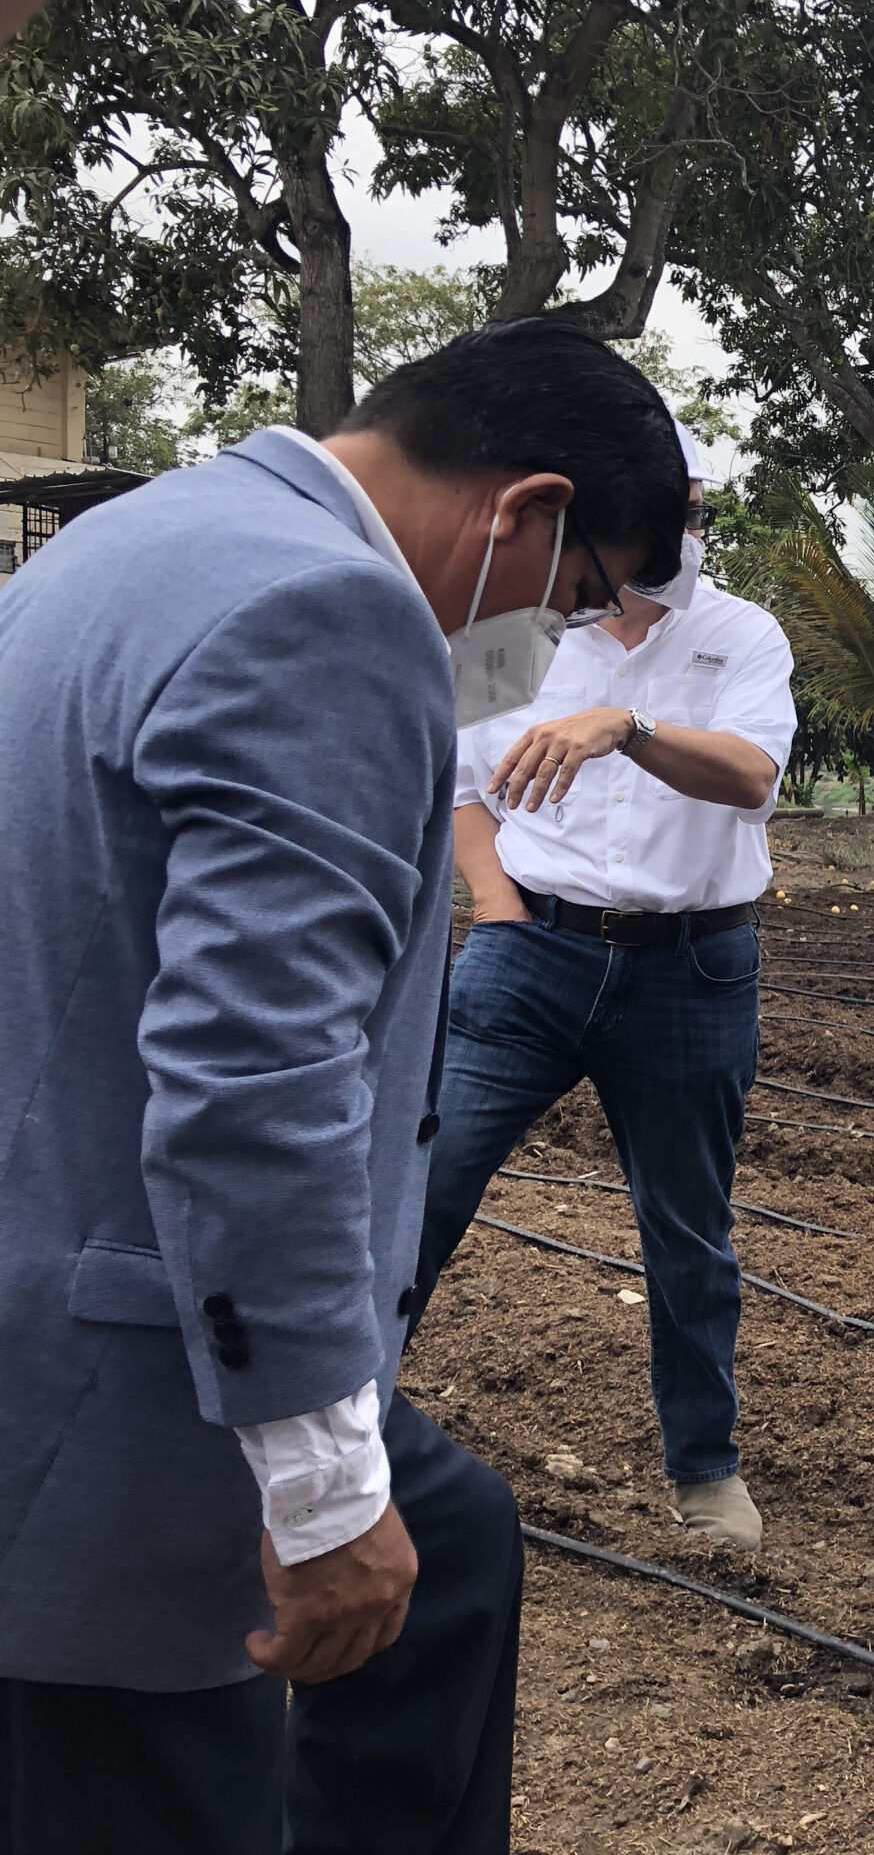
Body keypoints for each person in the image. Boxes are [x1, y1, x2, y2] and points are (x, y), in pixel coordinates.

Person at [0, 318, 684, 1853]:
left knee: (455, 1542)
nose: (552, 641)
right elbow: (255, 1086)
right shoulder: (336, 613)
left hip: (49, 1241)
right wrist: (315, 1492)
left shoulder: (131, 545)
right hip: (109, 1387)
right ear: (528, 509)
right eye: (575, 596)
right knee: (160, 1789)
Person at [407, 420, 794, 1553]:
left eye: (678, 505)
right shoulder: (522, 631)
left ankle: (704, 1466)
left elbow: (753, 776)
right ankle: (341, 1422)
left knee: (688, 1232)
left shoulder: (742, 637)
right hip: (532, 954)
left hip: (691, 967)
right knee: (423, 1183)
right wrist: (500, 904)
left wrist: (623, 725)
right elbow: (462, 785)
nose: (665, 530)